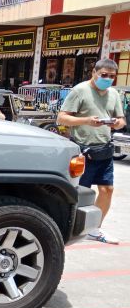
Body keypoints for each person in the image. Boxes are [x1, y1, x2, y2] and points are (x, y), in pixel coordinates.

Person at [57, 58, 127, 244]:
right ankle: (70, 229)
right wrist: (86, 121)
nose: (107, 79)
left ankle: (95, 229)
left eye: (112, 76)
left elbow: (121, 119)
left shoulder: (113, 94)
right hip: (82, 150)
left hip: (104, 149)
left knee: (107, 189)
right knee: (80, 192)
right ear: (94, 73)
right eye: (104, 75)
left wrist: (117, 123)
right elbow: (62, 118)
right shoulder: (80, 90)